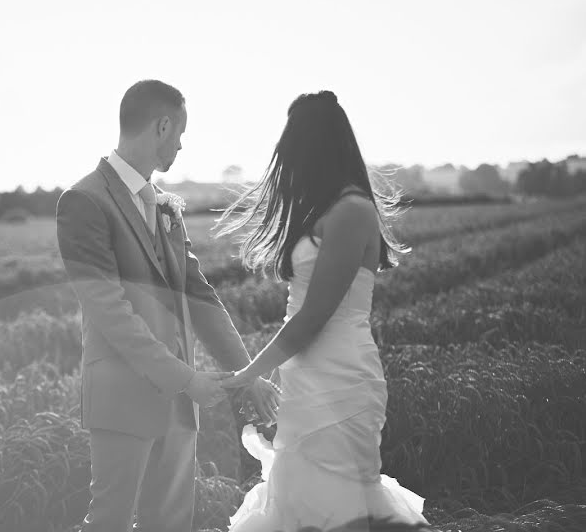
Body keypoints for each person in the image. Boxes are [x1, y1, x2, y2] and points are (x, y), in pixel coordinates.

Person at [55, 79, 280, 532]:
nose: (181, 143)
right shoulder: (83, 201)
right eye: (180, 132)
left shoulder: (165, 206)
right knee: (110, 523)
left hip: (179, 408)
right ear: (162, 126)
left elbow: (201, 299)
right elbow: (110, 312)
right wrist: (186, 378)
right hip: (123, 399)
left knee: (172, 525)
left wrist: (248, 378)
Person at [216, 90, 432, 531]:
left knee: (340, 508)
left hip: (341, 379)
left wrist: (247, 374)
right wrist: (270, 373)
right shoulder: (325, 209)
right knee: (300, 501)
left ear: (311, 149)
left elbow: (312, 319)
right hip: (306, 377)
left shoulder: (353, 211)